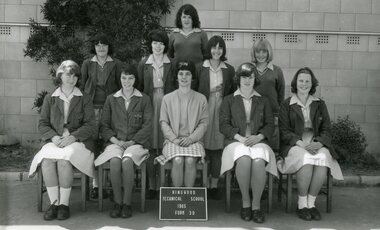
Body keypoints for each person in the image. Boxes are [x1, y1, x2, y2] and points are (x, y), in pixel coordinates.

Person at [29, 60, 96, 221]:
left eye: (74, 76)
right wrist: (53, 136)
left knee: (64, 161)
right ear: (60, 76)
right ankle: (54, 204)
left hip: (78, 141)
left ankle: (64, 205)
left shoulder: (84, 98)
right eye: (68, 75)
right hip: (55, 139)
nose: (71, 79)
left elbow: (90, 125)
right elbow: (43, 123)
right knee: (47, 160)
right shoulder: (50, 98)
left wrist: (73, 137)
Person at [277, 67, 343, 221]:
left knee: (323, 158)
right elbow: (284, 131)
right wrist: (301, 144)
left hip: (316, 144)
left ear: (312, 84)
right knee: (306, 160)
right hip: (295, 146)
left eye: (307, 81)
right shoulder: (286, 104)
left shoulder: (320, 104)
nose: (304, 84)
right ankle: (301, 204)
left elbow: (327, 129)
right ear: (295, 82)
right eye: (301, 81)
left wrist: (319, 143)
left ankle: (311, 203)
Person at [219, 63, 278, 223]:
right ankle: (246, 203)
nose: (247, 80)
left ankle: (256, 206)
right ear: (238, 79)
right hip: (236, 141)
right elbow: (223, 125)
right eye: (244, 77)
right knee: (244, 160)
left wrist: (258, 137)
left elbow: (270, 125)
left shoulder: (263, 100)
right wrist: (240, 138)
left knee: (259, 162)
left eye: (250, 77)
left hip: (258, 141)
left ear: (255, 79)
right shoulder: (228, 100)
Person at [94, 64, 152, 218]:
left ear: (135, 79)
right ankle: (117, 202)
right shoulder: (111, 99)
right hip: (115, 142)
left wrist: (133, 141)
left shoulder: (144, 99)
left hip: (136, 143)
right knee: (114, 161)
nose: (127, 81)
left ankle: (127, 203)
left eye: (130, 78)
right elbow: (104, 125)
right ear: (120, 79)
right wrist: (116, 141)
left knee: (127, 161)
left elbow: (148, 125)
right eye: (124, 78)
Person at [80, 34, 123, 199]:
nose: (101, 48)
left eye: (104, 45)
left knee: (109, 144)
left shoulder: (116, 64)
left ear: (108, 47)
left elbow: (121, 86)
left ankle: (111, 185)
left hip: (111, 110)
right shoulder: (87, 64)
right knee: (93, 146)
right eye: (98, 45)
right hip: (92, 110)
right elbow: (83, 88)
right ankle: (95, 185)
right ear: (94, 48)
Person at [155, 60, 208, 187]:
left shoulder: (201, 99)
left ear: (192, 77)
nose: (184, 77)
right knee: (178, 161)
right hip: (173, 141)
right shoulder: (167, 98)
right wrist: (174, 139)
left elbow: (204, 123)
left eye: (188, 74)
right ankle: (177, 198)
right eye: (181, 74)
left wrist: (191, 138)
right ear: (176, 77)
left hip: (194, 141)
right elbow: (163, 122)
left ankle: (188, 198)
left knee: (190, 161)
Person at [196, 35, 235, 199]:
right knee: (203, 143)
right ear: (209, 49)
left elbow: (232, 93)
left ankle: (214, 184)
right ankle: (203, 182)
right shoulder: (200, 67)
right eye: (214, 47)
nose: (216, 51)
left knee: (218, 146)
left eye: (220, 48)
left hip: (221, 109)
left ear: (223, 50)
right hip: (204, 108)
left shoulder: (229, 69)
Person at [137, 29, 174, 199]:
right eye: (154, 43)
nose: (157, 46)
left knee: (165, 143)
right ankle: (151, 184)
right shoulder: (143, 63)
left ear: (165, 46)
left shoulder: (172, 63)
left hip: (167, 103)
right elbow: (139, 88)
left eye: (161, 43)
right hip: (150, 103)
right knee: (151, 145)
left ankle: (165, 185)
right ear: (150, 45)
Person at [251, 38, 285, 152]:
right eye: (258, 51)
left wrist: (278, 114)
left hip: (272, 114)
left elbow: (281, 95)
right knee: (255, 147)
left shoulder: (277, 71)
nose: (261, 55)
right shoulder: (249, 69)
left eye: (264, 51)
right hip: (252, 114)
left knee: (272, 148)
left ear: (268, 52)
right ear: (254, 53)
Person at [168, 4, 208, 73]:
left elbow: (207, 54)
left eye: (189, 17)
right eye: (184, 17)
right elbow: (169, 54)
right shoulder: (173, 34)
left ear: (193, 19)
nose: (186, 20)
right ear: (180, 18)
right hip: (178, 73)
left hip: (197, 72)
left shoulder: (202, 34)